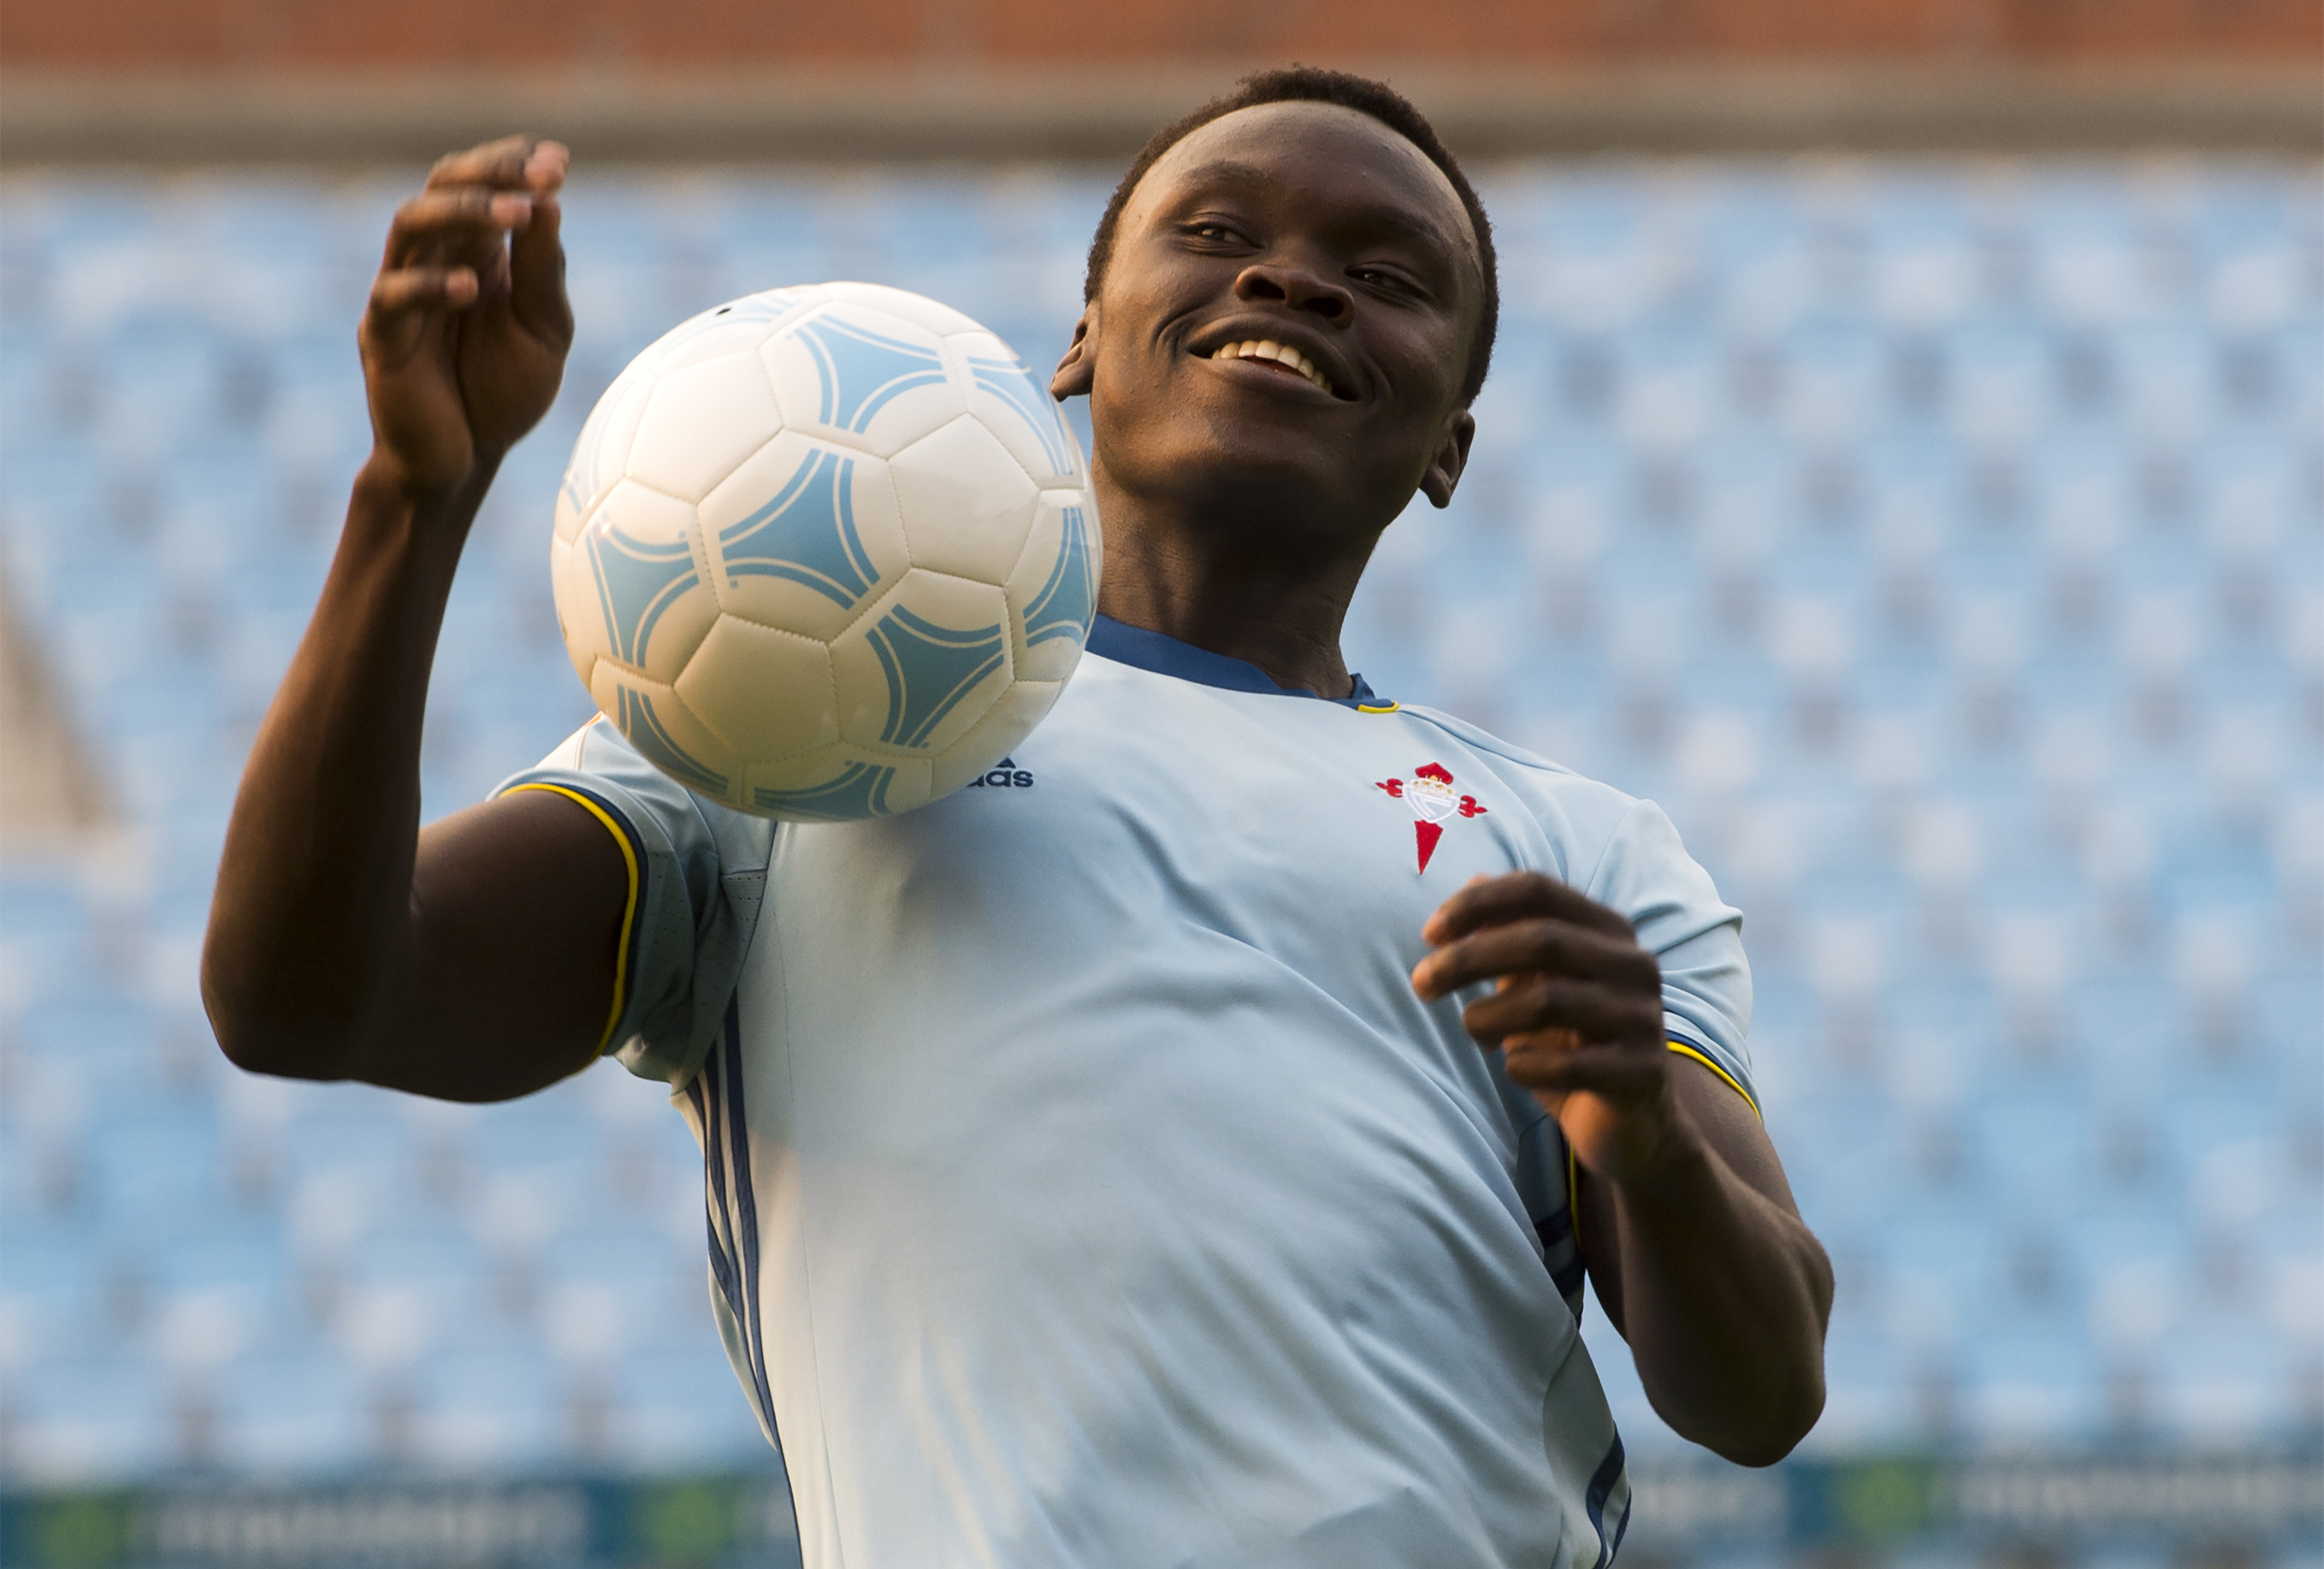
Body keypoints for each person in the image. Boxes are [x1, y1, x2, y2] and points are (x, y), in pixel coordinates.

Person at [205, 66, 1831, 1568]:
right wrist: (409, 503)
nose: (1293, 278)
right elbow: (310, 999)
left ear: (1448, 450)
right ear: (1077, 340)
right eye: (1215, 233)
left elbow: (1759, 1394)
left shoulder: (1575, 848)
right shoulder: (792, 717)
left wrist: (1643, 1130)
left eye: (1390, 275)